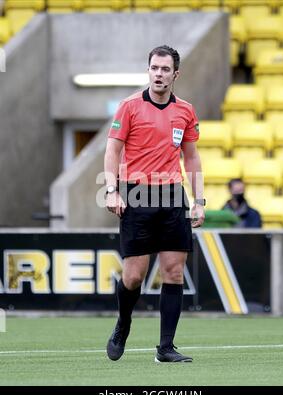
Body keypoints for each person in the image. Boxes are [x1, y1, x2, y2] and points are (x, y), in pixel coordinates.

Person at [104, 45, 205, 363]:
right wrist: (112, 190)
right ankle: (123, 324)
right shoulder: (129, 106)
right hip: (137, 195)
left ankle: (165, 348)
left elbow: (191, 157)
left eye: (165, 69)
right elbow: (112, 152)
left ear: (176, 74)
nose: (158, 74)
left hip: (173, 194)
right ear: (148, 70)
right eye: (154, 68)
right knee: (133, 275)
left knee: (173, 272)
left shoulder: (185, 111)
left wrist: (198, 200)